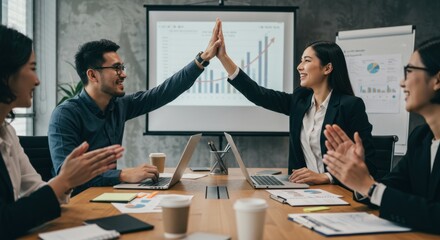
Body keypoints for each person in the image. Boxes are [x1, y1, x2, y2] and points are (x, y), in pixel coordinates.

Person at [48, 20, 222, 195]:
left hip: (107, 197)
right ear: (92, 75)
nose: (124, 74)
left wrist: (202, 59)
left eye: (122, 67)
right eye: (116, 68)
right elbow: (66, 177)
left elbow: (162, 93)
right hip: (79, 204)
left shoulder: (118, 105)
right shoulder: (65, 115)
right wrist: (122, 175)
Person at [0, 25, 124, 239]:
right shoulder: (67, 113)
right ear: (6, 73)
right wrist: (65, 180)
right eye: (32, 68)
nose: (37, 80)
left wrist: (68, 181)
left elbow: (36, 192)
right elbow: (4, 223)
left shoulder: (7, 132)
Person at [214, 20, 375, 185]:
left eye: (307, 60)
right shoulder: (300, 100)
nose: (299, 66)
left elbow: (369, 162)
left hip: (337, 191)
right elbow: (258, 94)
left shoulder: (350, 106)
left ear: (327, 68)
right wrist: (223, 58)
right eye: (301, 60)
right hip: (302, 191)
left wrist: (327, 177)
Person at [323, 37, 440, 234]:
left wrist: (369, 187)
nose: (402, 82)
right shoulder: (420, 138)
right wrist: (360, 176)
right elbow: (391, 188)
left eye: (409, 71)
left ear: (437, 80)